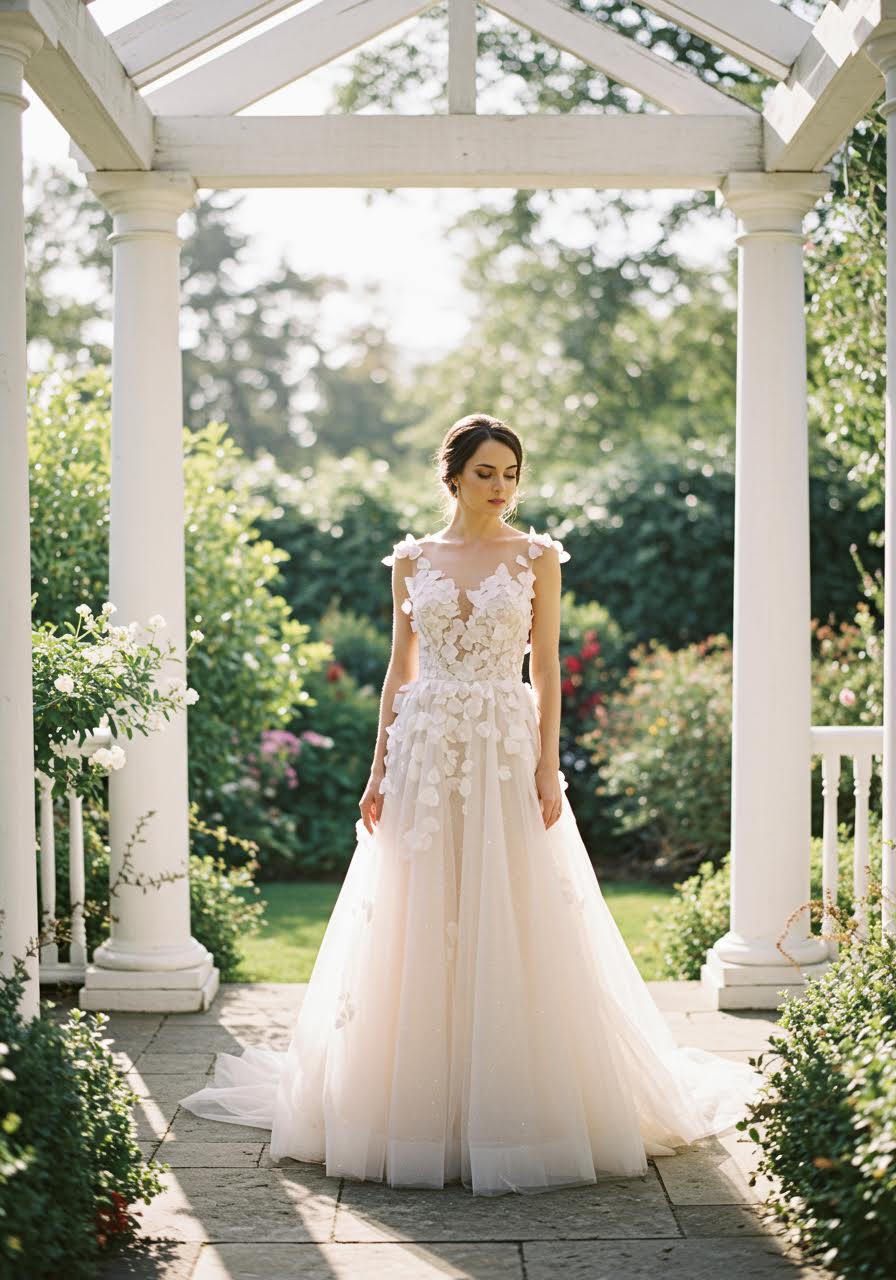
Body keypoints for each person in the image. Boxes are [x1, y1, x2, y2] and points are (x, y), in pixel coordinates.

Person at [179, 412, 764, 1197]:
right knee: (419, 910)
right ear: (453, 474)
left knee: (510, 909)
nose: (500, 487)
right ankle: (412, 1109)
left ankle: (517, 1104)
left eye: (511, 474)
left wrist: (549, 765)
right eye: (486, 472)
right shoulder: (412, 560)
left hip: (502, 743)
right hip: (424, 746)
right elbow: (399, 669)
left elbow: (550, 670)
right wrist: (376, 768)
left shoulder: (536, 558)